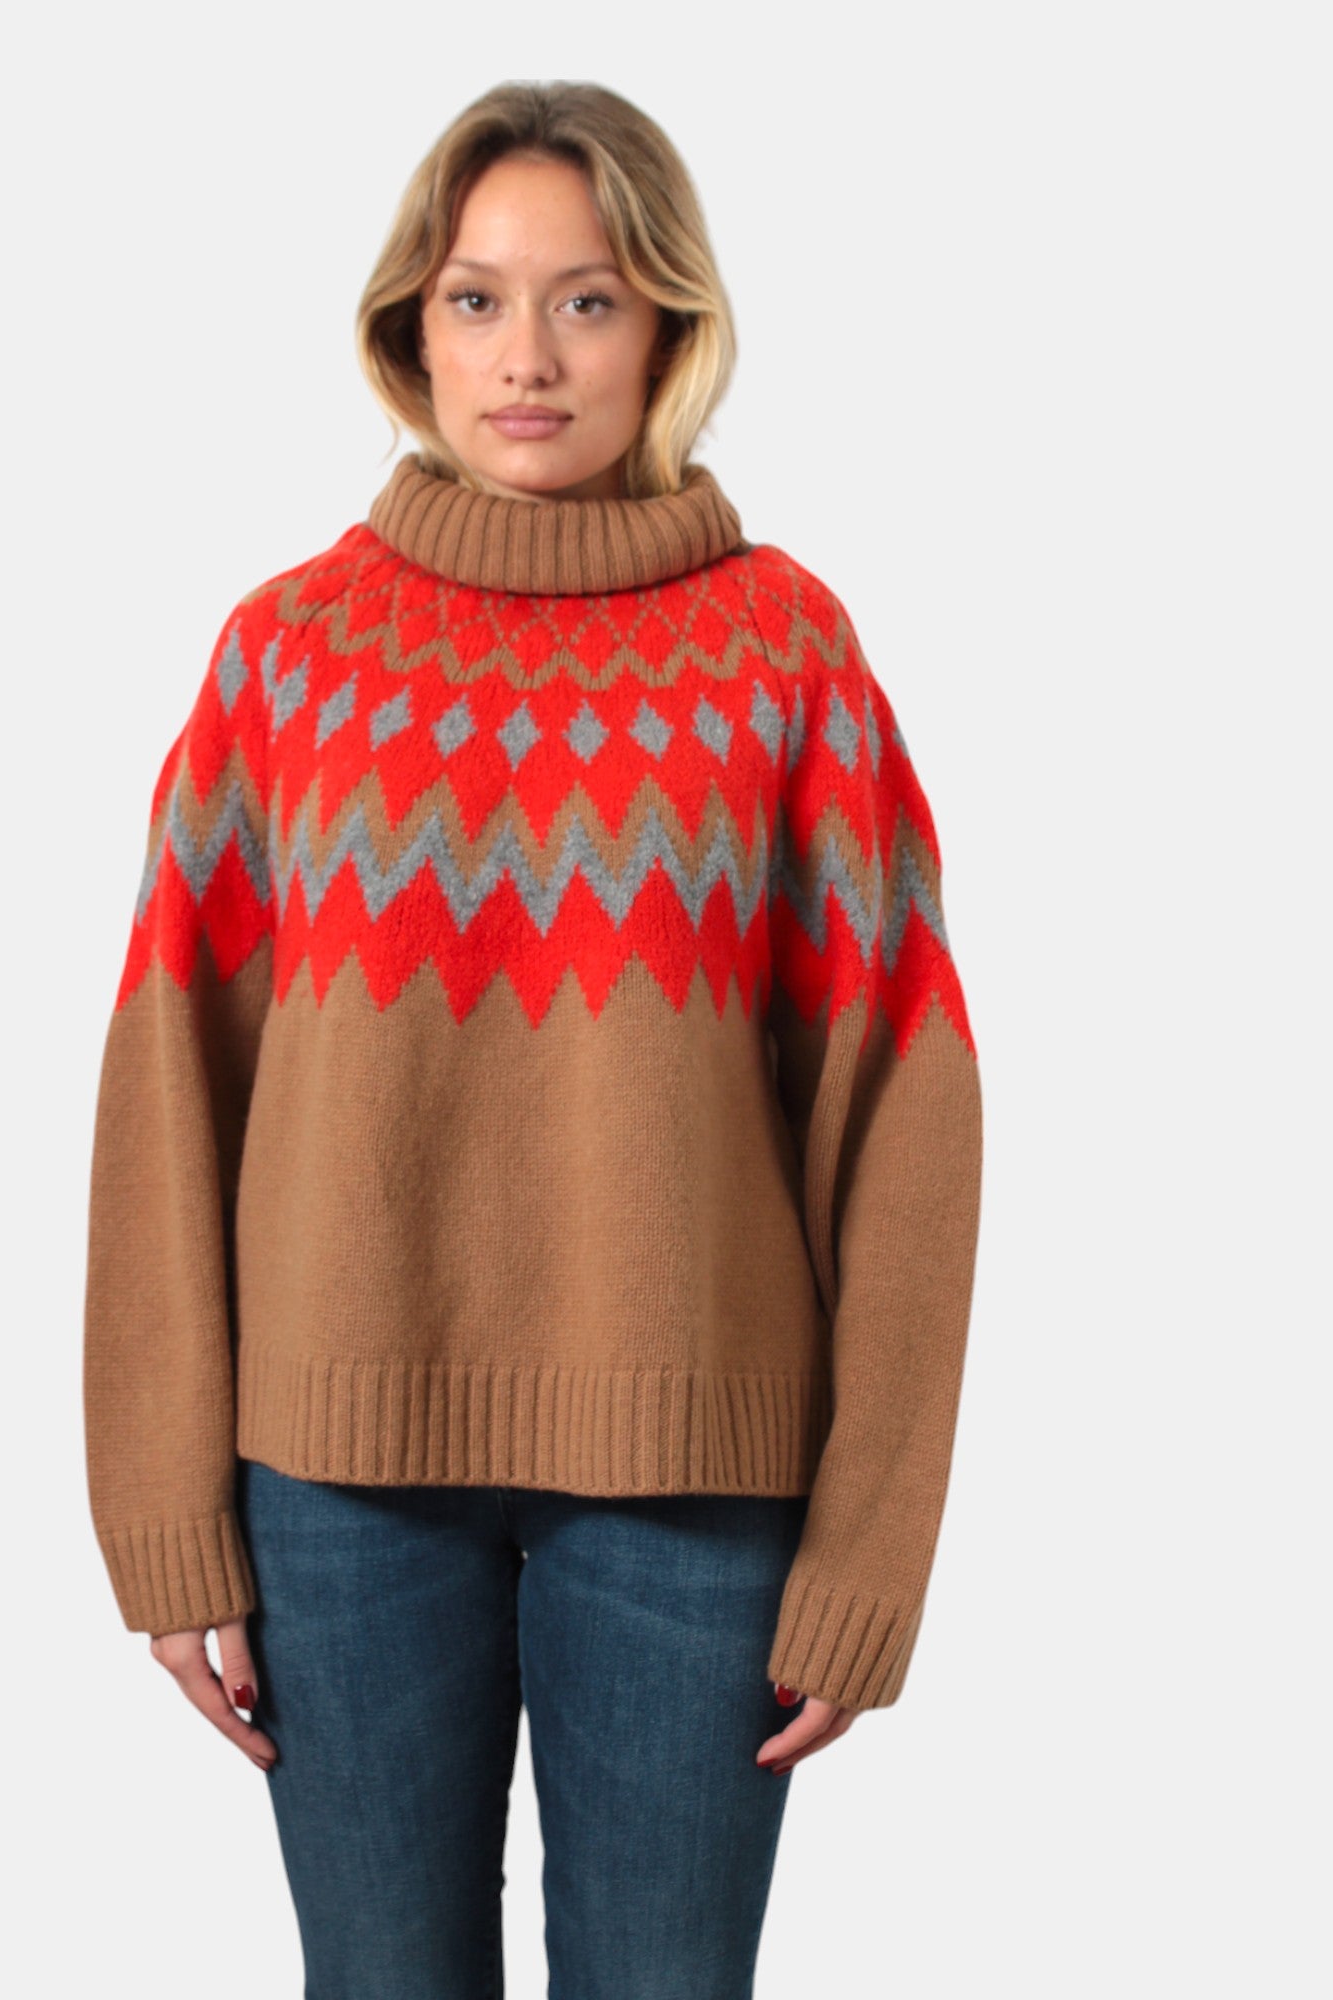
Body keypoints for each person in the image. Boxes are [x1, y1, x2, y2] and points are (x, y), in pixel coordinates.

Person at [83, 79, 983, 2000]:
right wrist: (166, 1511)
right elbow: (170, 1081)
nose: (528, 356)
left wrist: (873, 1547)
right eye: (477, 299)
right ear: (411, 329)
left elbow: (904, 1104)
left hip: (695, 1500)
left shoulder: (785, 654)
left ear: (667, 327)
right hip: (334, 1491)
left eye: (587, 300)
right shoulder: (290, 654)